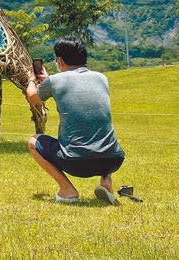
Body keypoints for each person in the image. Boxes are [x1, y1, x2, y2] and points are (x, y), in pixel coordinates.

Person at [25, 36, 125, 205]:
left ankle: (67, 190)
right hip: (113, 160)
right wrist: (50, 81)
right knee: (101, 132)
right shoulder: (101, 78)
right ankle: (106, 182)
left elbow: (33, 98)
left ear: (60, 60)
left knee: (33, 142)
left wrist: (31, 80)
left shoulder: (55, 81)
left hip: (76, 163)